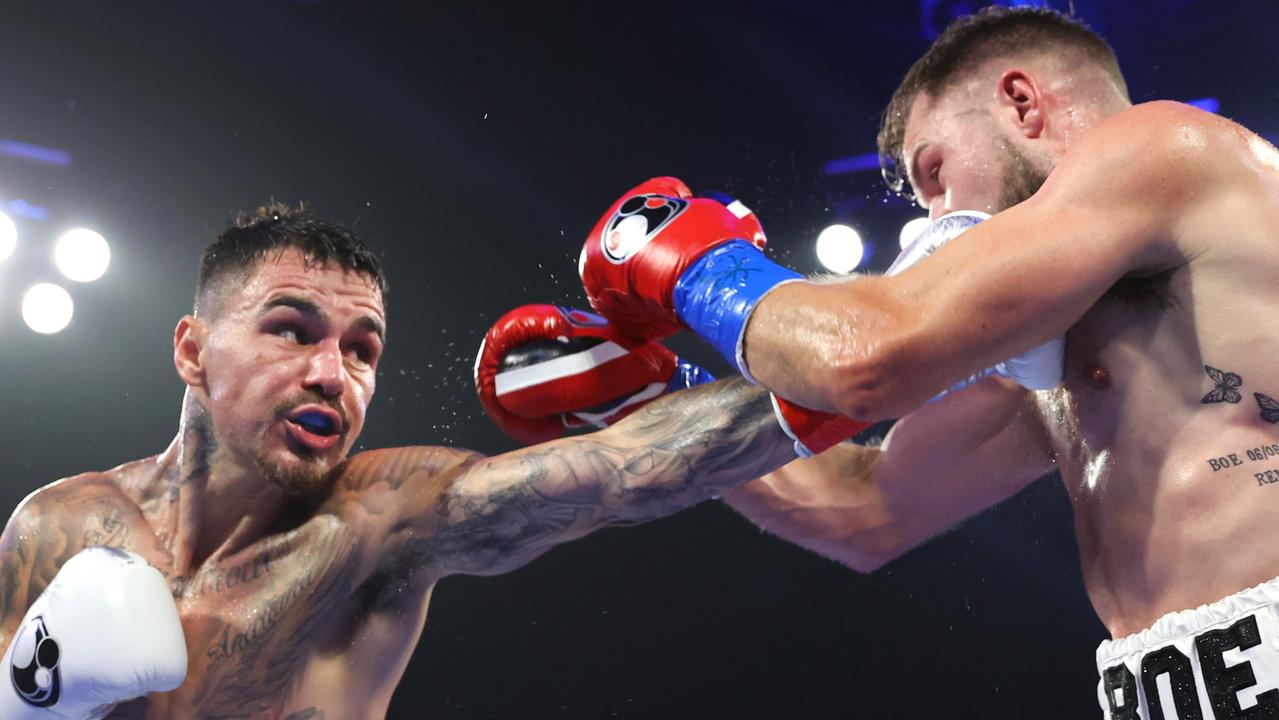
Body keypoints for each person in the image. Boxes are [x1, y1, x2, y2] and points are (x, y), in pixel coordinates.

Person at [570, 6, 1279, 718]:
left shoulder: (1161, 145)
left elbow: (871, 358)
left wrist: (693, 265)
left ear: (1021, 102)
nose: (938, 219)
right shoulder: (1049, 337)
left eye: (935, 172)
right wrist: (659, 393)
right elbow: (866, 509)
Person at [0, 203, 801, 719]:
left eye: (362, 350)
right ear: (192, 350)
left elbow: (626, 468)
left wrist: (860, 349)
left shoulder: (381, 521)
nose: (331, 373)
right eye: (292, 329)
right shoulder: (59, 523)